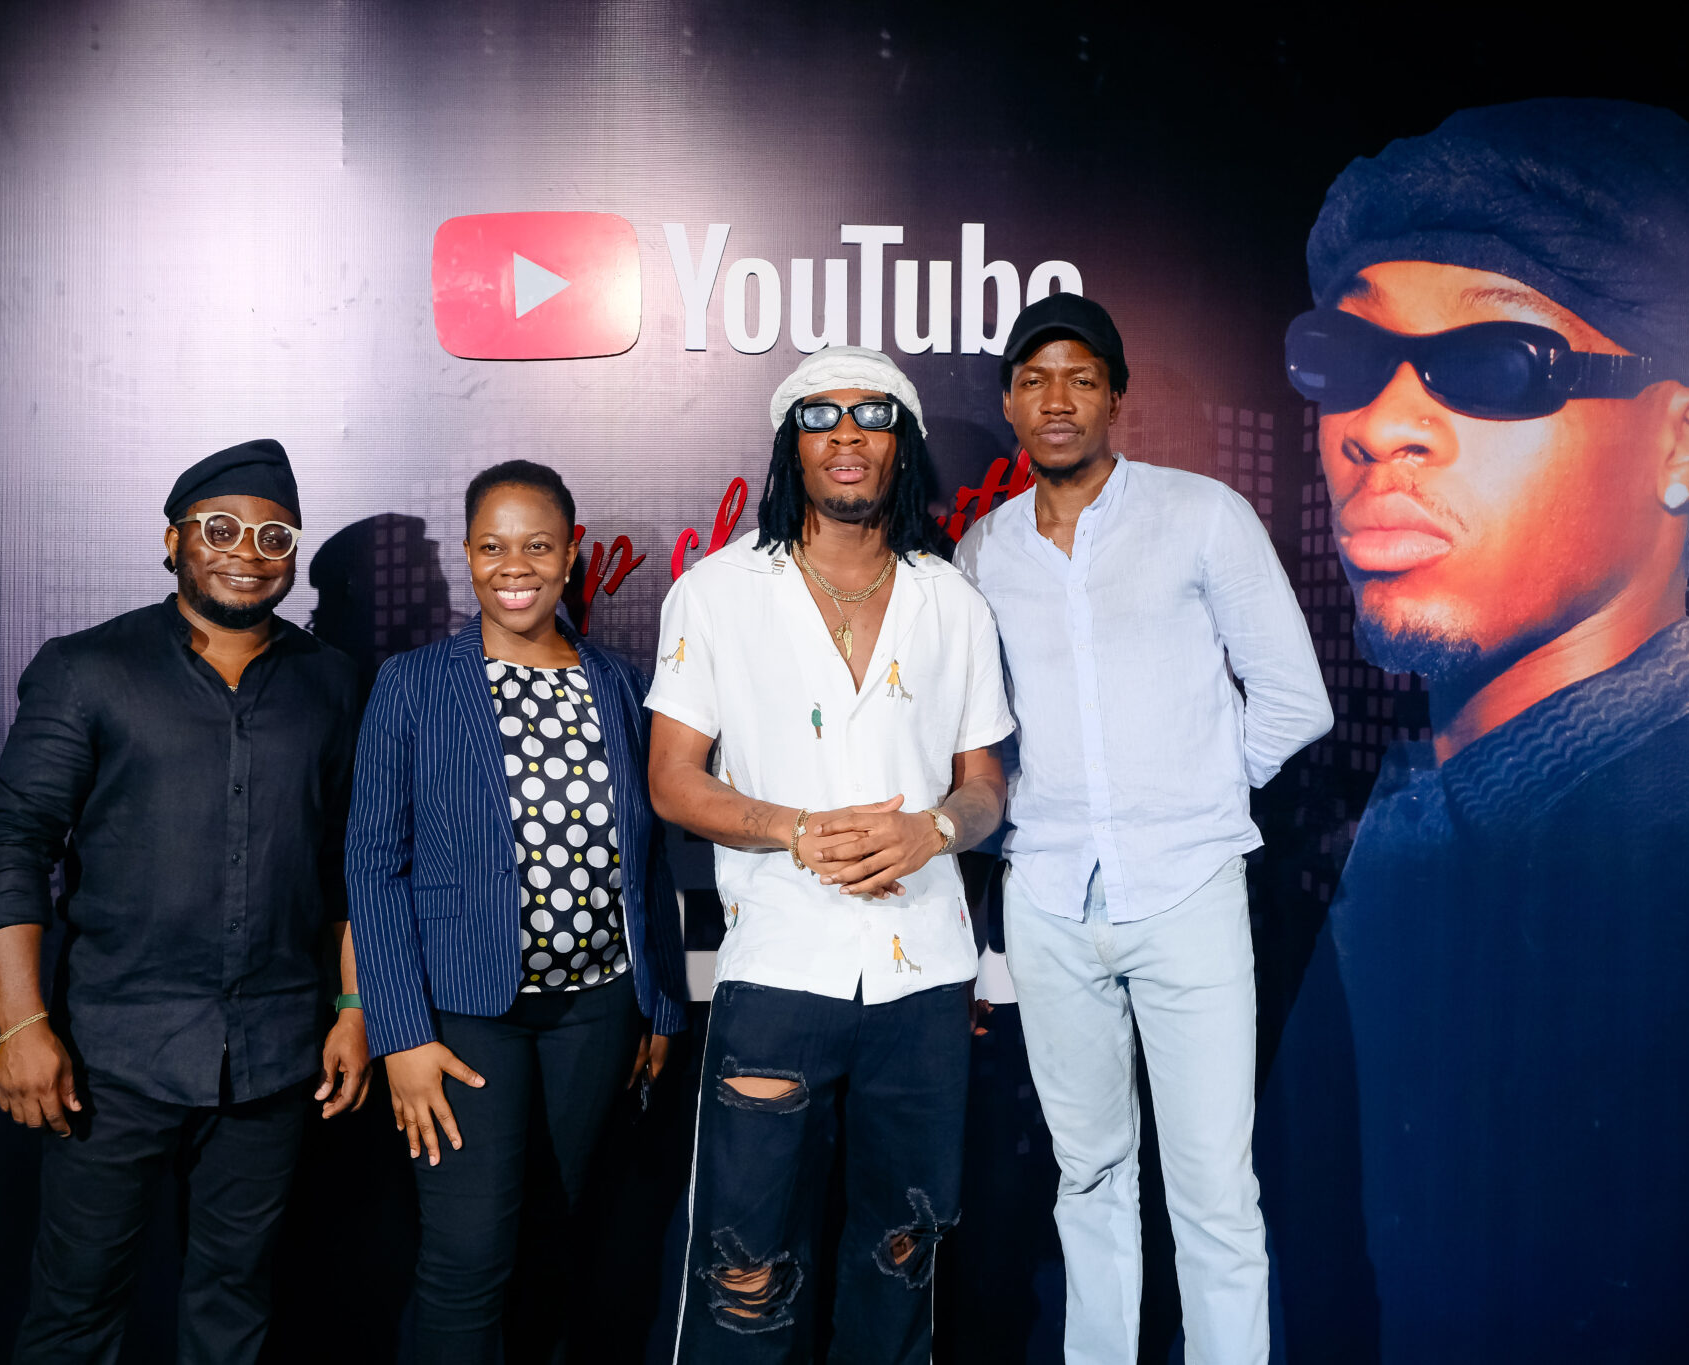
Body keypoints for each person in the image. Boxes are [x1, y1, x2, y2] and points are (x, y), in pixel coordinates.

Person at [1263, 99, 1689, 1359]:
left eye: (1498, 363)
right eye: (1345, 356)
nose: (1377, 424)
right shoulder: (1406, 823)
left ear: (1688, 441)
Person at [953, 293, 1331, 1365]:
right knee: (1087, 1176)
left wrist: (1197, 791)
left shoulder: (1201, 514)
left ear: (1115, 395)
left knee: (1212, 1189)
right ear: (1009, 403)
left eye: (1080, 378)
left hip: (1187, 889)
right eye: (1034, 380)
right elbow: (976, 730)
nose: (1056, 399)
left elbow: (1294, 699)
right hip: (1047, 896)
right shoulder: (982, 552)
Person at [648, 346, 1013, 1363]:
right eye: (820, 417)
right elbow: (672, 780)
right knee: (743, 1261)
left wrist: (932, 828)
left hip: (924, 973)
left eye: (872, 416)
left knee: (902, 1251)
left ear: (904, 445)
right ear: (790, 446)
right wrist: (796, 829)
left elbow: (986, 786)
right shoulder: (717, 592)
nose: (846, 435)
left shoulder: (952, 600)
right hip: (778, 964)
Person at [0, 439, 368, 1364]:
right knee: (75, 1313)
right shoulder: (86, 669)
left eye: (274, 536)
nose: (247, 552)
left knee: (235, 1309)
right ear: (173, 540)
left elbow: (349, 862)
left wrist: (354, 1005)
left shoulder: (334, 683)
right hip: (111, 1055)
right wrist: (20, 1023)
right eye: (220, 529)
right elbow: (15, 843)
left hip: (276, 1055)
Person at [344, 460, 687, 1365]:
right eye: (493, 547)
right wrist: (401, 1035)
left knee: (555, 1239)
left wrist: (658, 1004)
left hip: (597, 1012)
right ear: (467, 555)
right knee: (468, 1256)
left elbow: (649, 854)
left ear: (571, 555)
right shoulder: (413, 683)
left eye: (537, 545)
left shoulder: (622, 684)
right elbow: (372, 867)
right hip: (464, 1017)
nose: (515, 566)